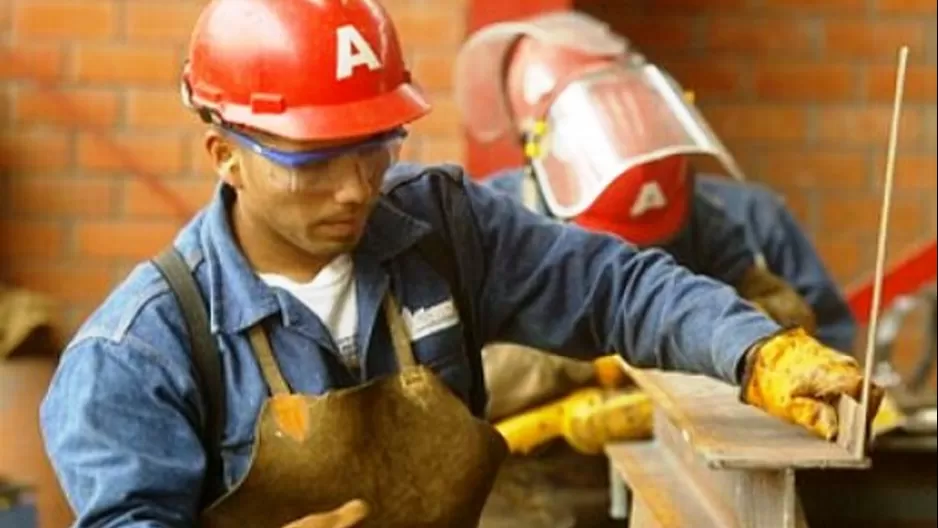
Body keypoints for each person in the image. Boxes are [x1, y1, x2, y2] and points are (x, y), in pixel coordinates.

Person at [39, 2, 879, 528]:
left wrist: (755, 350)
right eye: (314, 160)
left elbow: (615, 287)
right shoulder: (136, 355)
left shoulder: (438, 227)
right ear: (225, 152)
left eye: (375, 147)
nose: (354, 188)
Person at [454, 11, 856, 352]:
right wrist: (576, 363)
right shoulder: (488, 223)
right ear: (535, 146)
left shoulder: (710, 216)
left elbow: (810, 323)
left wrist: (728, 335)